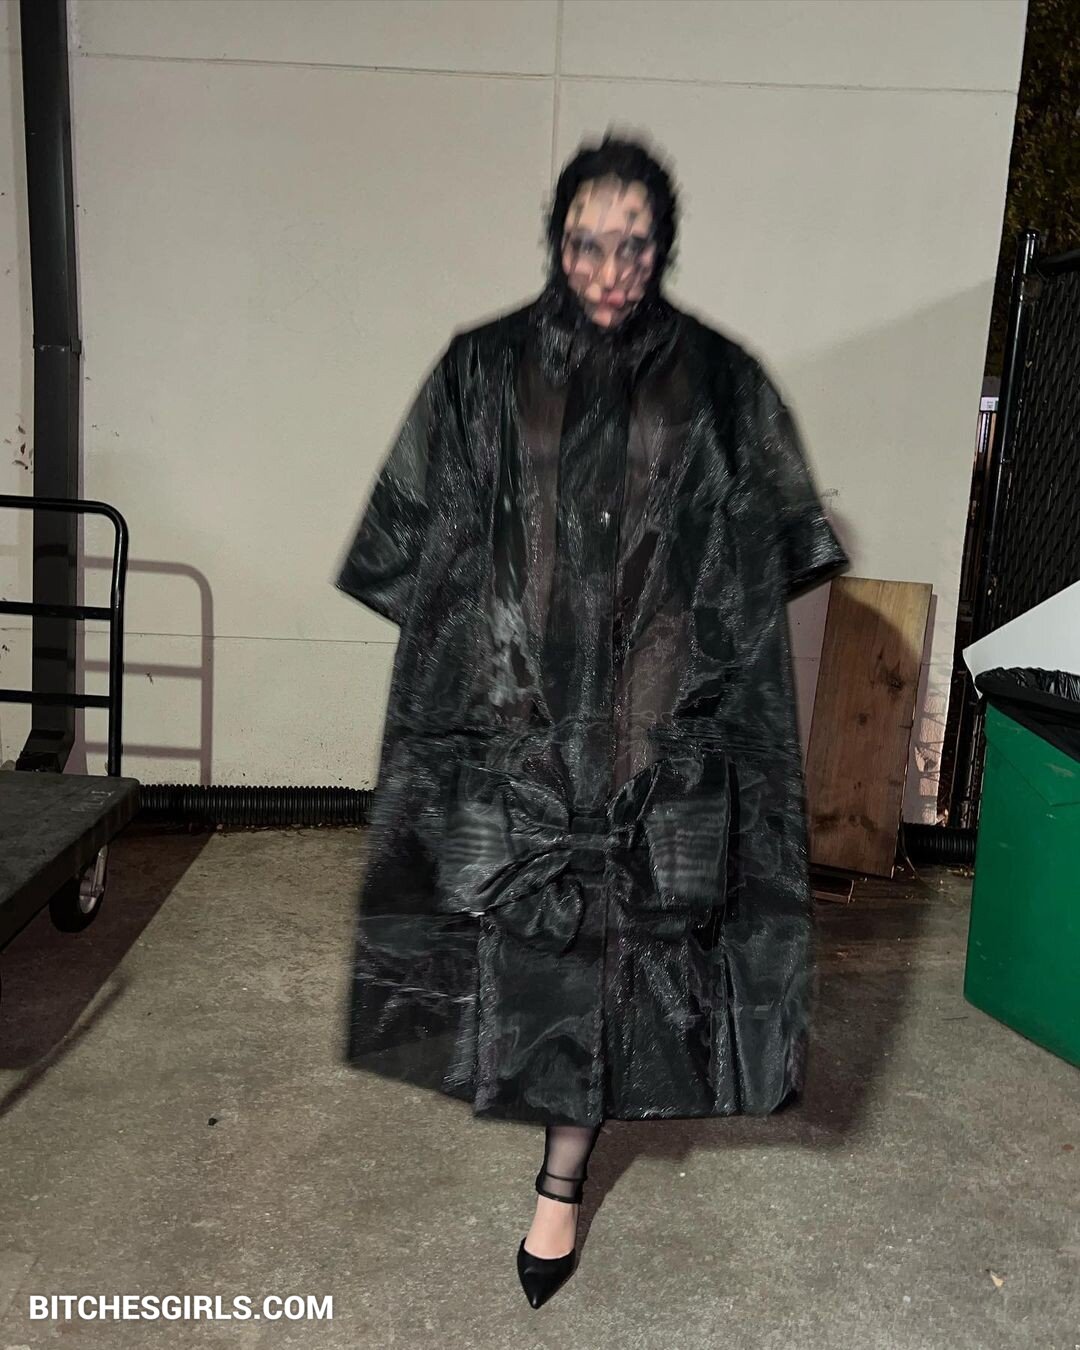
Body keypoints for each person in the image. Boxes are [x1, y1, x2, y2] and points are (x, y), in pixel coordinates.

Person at [334, 132, 848, 1309]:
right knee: (533, 959)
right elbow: (419, 552)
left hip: (652, 734)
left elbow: (765, 558)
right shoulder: (482, 369)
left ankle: (559, 1184)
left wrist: (679, 691)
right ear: (555, 240)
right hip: (522, 722)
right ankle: (551, 1144)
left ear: (663, 247)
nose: (609, 270)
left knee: (623, 961)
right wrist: (488, 690)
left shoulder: (720, 380)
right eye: (586, 243)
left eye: (634, 245)